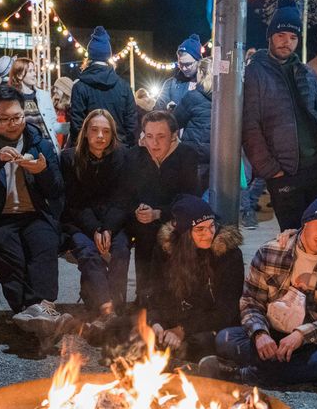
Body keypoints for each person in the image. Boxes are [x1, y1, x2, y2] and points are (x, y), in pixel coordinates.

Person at [208, 187, 317, 386]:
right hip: (271, 332)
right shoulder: (270, 252)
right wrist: (260, 333)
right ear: (306, 222)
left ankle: (246, 374)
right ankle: (315, 373)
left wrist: (301, 335)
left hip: (310, 341)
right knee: (224, 339)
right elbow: (251, 301)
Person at [0, 86, 67, 332]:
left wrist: (42, 172)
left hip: (35, 213)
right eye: (4, 119)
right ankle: (40, 312)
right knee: (8, 255)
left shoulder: (38, 142)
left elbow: (57, 188)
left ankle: (38, 312)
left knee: (44, 245)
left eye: (17, 117)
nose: (12, 124)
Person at [242, 0, 317, 231]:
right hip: (285, 173)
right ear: (270, 37)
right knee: (293, 237)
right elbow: (250, 126)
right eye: (281, 36)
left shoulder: (307, 72)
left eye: (293, 37)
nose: (287, 43)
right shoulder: (255, 73)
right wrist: (271, 170)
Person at [149, 195, 243, 362]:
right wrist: (157, 323)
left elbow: (227, 311)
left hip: (210, 324)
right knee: (138, 331)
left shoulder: (228, 254)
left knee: (203, 344)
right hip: (174, 318)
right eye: (200, 229)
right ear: (185, 232)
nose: (208, 234)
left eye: (211, 226)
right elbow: (156, 294)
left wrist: (182, 329)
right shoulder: (165, 251)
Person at [61, 109, 132, 324]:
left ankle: (116, 304)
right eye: (94, 130)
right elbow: (74, 202)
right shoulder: (70, 158)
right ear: (85, 132)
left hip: (114, 220)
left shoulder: (122, 156)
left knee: (120, 250)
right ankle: (106, 308)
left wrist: (108, 228)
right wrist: (95, 229)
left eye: (106, 131)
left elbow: (122, 198)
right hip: (80, 221)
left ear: (112, 135)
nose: (100, 136)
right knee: (89, 252)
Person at [126, 110, 199, 304]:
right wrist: (138, 208)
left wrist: (159, 213)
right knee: (143, 231)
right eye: (149, 136)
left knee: (167, 234)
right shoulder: (135, 156)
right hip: (143, 220)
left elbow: (190, 198)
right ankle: (144, 296)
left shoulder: (187, 156)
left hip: (174, 216)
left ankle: (170, 298)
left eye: (161, 137)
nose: (154, 143)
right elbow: (126, 193)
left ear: (173, 136)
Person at [70, 26, 138, 147]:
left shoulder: (80, 87)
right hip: (119, 151)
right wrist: (127, 148)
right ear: (108, 56)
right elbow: (132, 124)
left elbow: (77, 125)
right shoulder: (124, 87)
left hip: (90, 153)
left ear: (89, 57)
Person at [173, 57, 213, 195]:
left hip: (195, 158)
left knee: (193, 198)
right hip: (219, 158)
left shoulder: (193, 97)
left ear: (201, 73)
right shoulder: (227, 98)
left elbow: (175, 122)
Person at [8, 57, 61, 152]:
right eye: (30, 71)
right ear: (20, 75)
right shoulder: (13, 99)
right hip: (28, 152)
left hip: (50, 150)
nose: (34, 74)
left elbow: (53, 125)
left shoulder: (44, 95)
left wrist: (70, 126)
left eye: (34, 71)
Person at [155, 33, 202, 110]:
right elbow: (157, 110)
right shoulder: (170, 84)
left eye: (188, 64)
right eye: (180, 64)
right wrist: (166, 109)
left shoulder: (208, 84)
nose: (184, 68)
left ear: (199, 61)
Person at [52, 76, 73, 150]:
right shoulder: (53, 106)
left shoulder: (71, 109)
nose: (54, 91)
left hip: (65, 147)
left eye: (57, 88)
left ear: (65, 90)